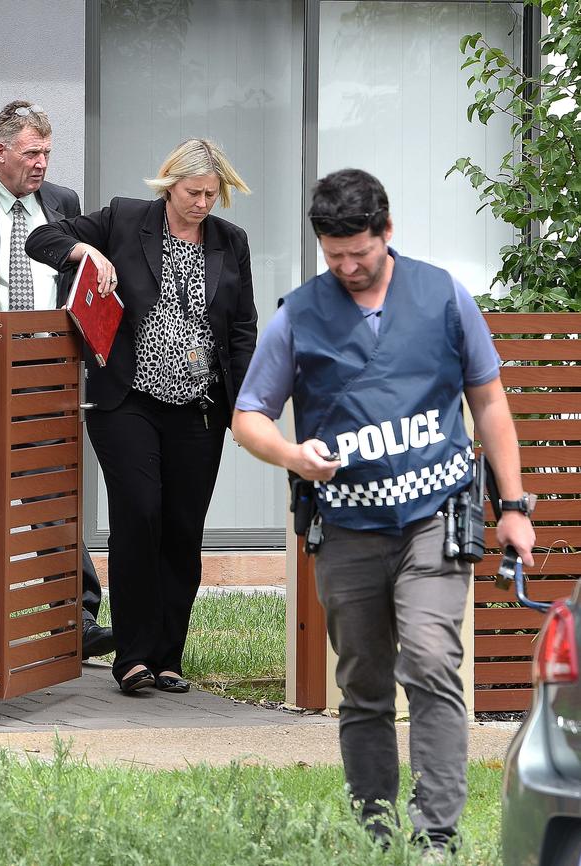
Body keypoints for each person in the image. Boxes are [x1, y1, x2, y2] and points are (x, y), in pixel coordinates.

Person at [232, 168, 535, 857]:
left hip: (434, 514)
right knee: (363, 683)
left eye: (359, 254)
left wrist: (513, 505)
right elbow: (249, 416)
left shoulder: (443, 297)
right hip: (346, 527)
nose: (347, 268)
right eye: (334, 256)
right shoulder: (300, 314)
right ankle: (377, 832)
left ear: (387, 233)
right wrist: (290, 453)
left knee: (430, 660)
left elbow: (488, 401)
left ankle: (437, 836)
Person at [25, 138, 257, 694]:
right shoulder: (126, 220)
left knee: (181, 528)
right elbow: (41, 238)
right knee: (139, 512)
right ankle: (131, 656)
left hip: (199, 408)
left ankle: (167, 656)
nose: (203, 203)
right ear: (168, 185)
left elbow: (242, 328)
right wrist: (87, 253)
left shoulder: (231, 241)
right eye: (193, 192)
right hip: (127, 400)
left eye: (212, 194)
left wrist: (248, 406)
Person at [0, 100, 113, 660]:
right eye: (31, 152)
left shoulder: (61, 203)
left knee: (52, 489)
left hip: (47, 367)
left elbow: (71, 274)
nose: (41, 163)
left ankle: (76, 617)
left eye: (47, 153)